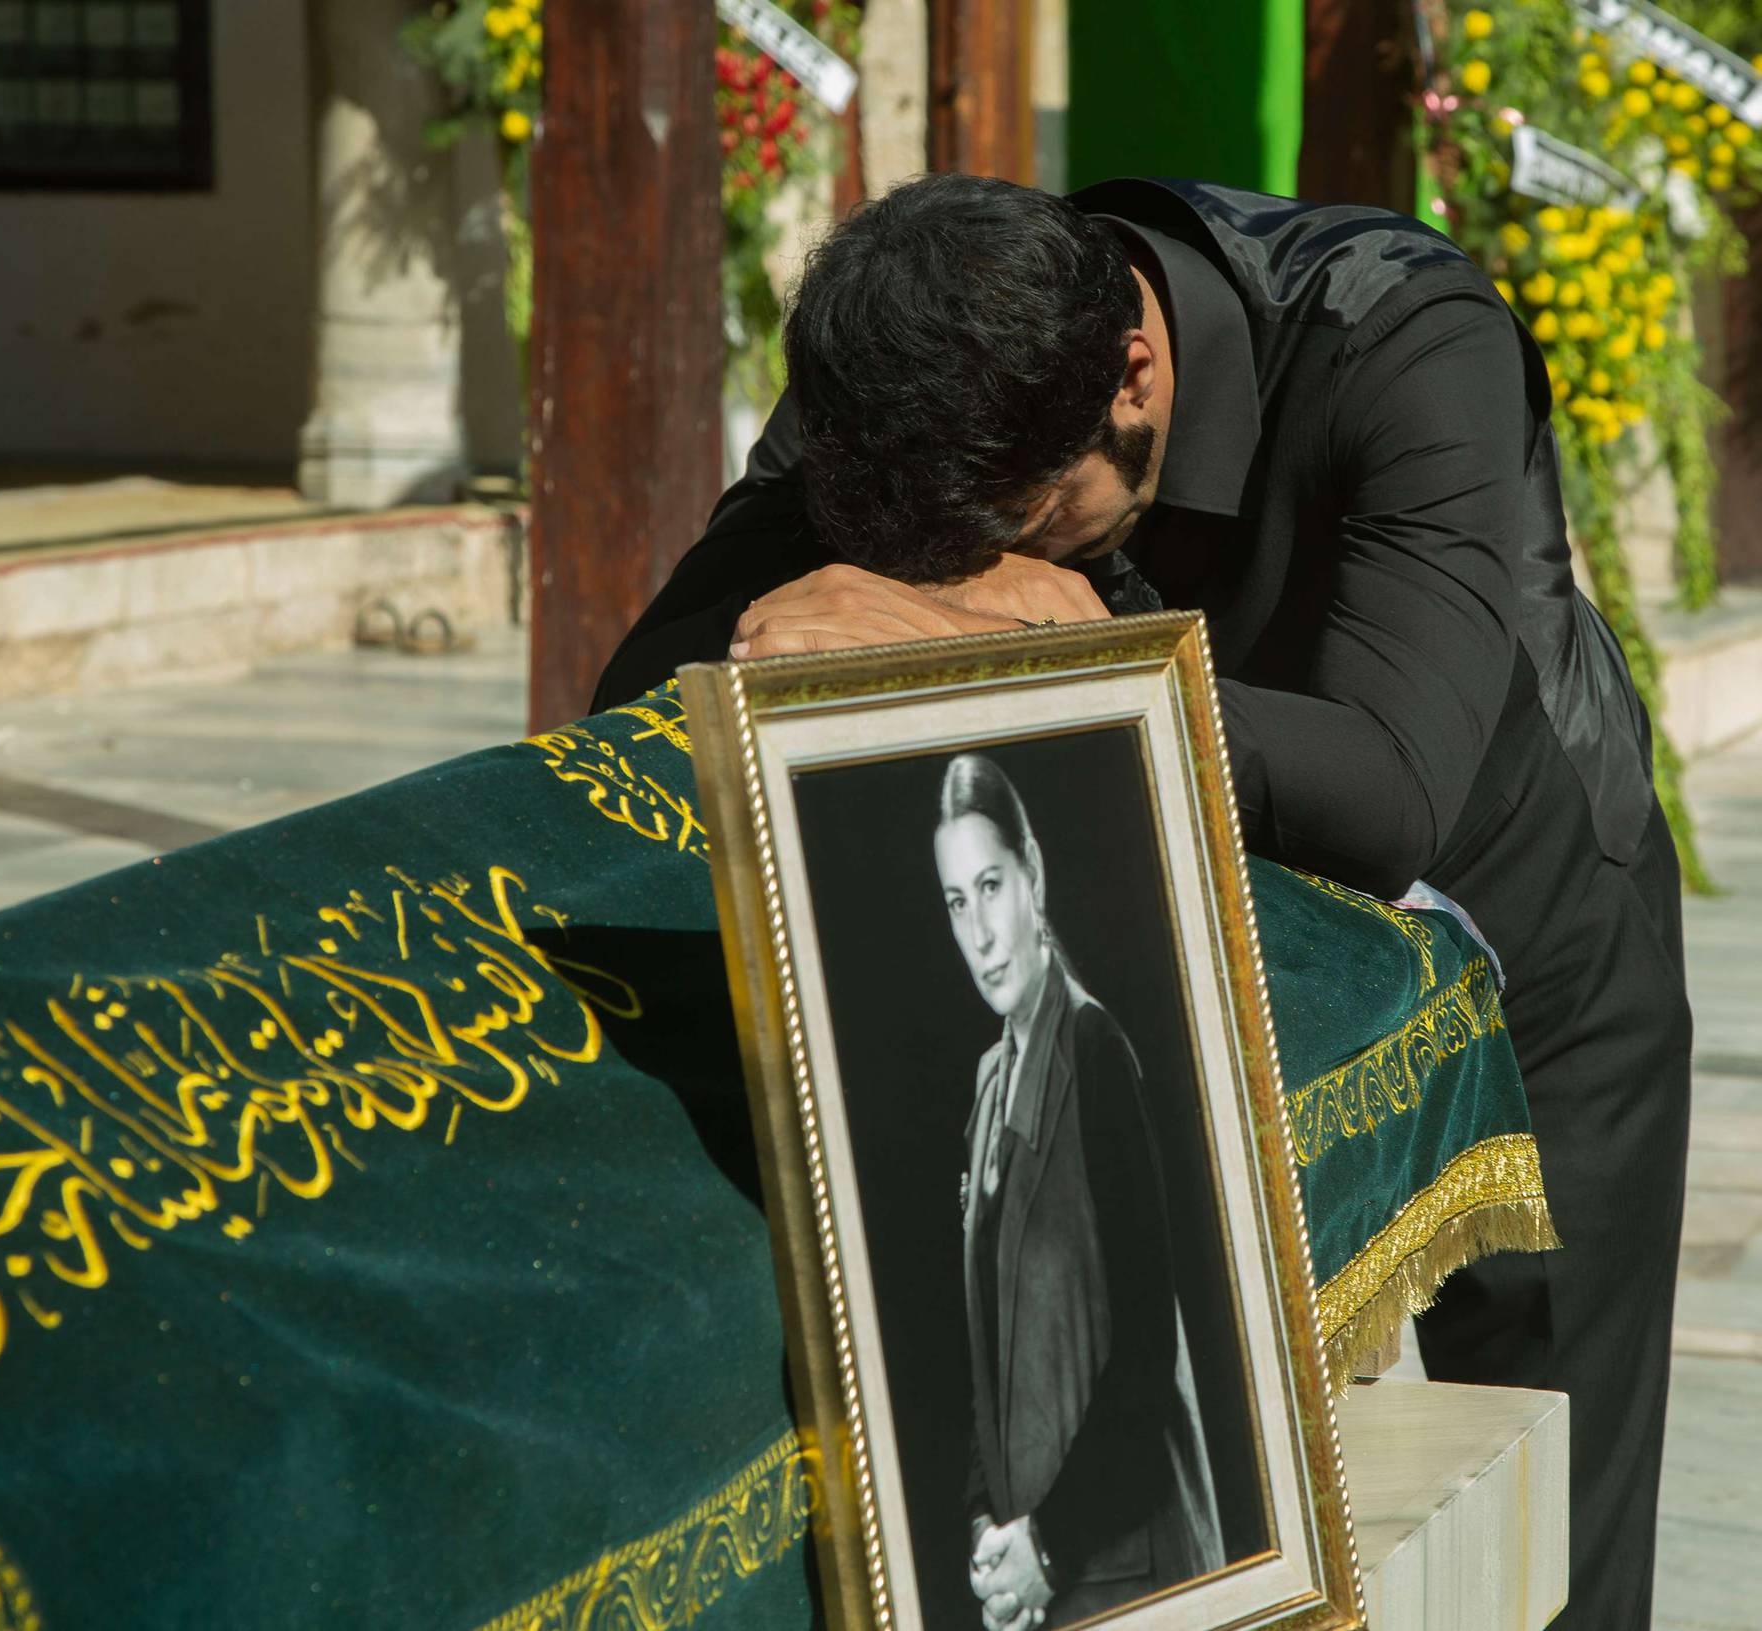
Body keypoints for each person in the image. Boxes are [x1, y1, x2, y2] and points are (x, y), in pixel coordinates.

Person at [595, 173, 1691, 1631]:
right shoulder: (918, 354)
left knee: (1561, 1534)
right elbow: (638, 686)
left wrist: (1006, 632)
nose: (992, 562)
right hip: (1176, 958)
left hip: (1520, 932)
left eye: (1027, 523)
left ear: (1133, 373)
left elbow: (1385, 793)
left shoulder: (1403, 335)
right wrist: (855, 604)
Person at [934, 753, 1223, 1631]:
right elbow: (987, 1361)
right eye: (956, 901)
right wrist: (987, 1529)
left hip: (1129, 1571)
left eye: (990, 886)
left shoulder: (1094, 1053)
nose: (979, 932)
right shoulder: (988, 1086)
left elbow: (1145, 1357)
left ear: (1032, 873)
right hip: (1039, 1582)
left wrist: (1047, 1547)